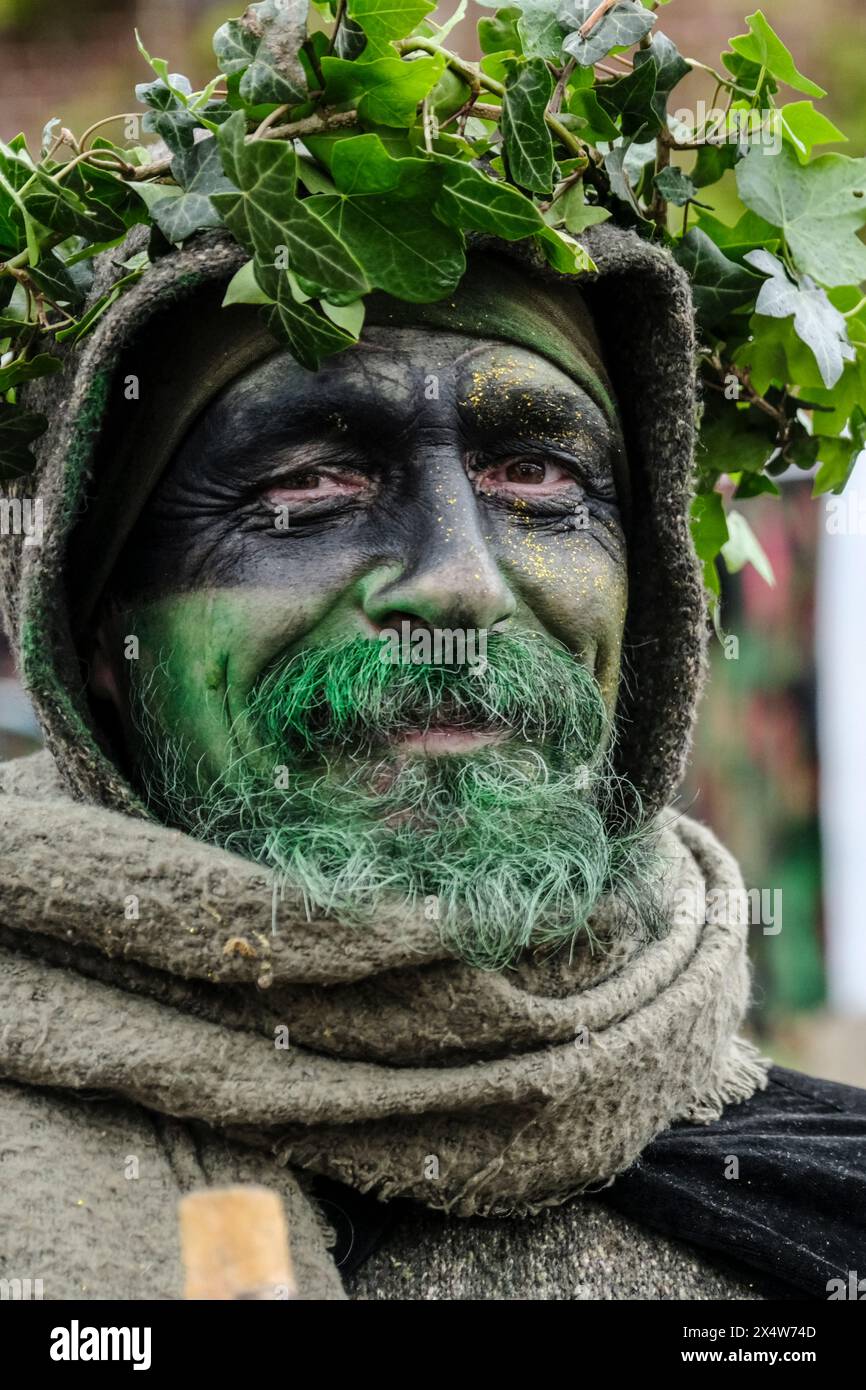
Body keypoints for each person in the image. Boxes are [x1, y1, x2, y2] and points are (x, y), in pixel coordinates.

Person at [0, 222, 862, 1300]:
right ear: (97, 635)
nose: (461, 584)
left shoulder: (824, 1197)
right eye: (309, 482)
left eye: (535, 473)